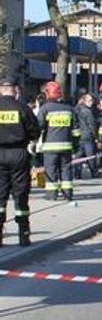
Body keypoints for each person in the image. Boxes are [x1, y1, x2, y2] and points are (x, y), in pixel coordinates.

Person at [0, 79, 41, 246]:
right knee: (21, 194)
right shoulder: (23, 108)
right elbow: (35, 131)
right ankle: (24, 234)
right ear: (15, 90)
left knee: (0, 196)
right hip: (19, 153)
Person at [36, 81, 79, 202]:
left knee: (51, 170)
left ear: (48, 93)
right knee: (66, 170)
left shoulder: (45, 109)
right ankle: (68, 194)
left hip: (50, 147)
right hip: (66, 147)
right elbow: (76, 131)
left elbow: (38, 127)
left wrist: (34, 143)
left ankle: (51, 195)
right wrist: (75, 147)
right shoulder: (69, 109)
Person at [74, 92, 100, 179]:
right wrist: (96, 137)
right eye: (89, 100)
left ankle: (77, 173)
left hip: (80, 135)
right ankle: (94, 172)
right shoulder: (88, 111)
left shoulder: (77, 109)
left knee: (79, 155)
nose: (91, 102)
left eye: (92, 100)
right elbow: (92, 125)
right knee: (91, 155)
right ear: (84, 101)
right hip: (88, 135)